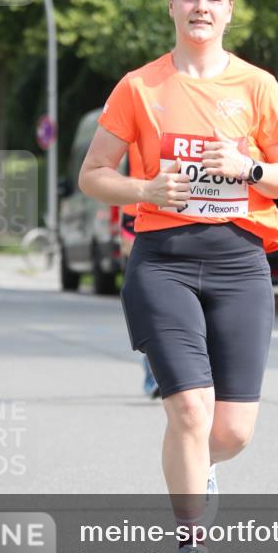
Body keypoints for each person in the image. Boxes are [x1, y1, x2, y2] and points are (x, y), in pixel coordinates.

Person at [78, 0, 278, 553]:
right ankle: (191, 545)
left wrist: (248, 169)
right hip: (164, 264)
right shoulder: (139, 87)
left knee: (229, 431)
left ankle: (198, 470)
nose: (201, 7)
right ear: (171, 6)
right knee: (188, 412)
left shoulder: (258, 86)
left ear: (229, 10)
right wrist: (147, 189)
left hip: (239, 263)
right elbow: (93, 176)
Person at [119, 143, 160, 398]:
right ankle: (153, 377)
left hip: (174, 213)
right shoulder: (135, 120)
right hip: (135, 210)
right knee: (151, 302)